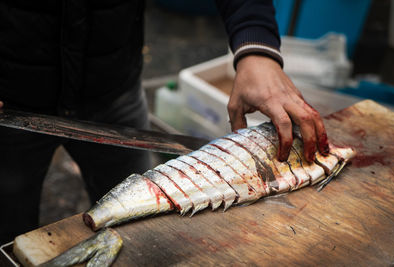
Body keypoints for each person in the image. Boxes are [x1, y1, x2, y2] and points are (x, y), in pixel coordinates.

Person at [0, 0, 329, 244]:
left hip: (114, 92)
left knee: (149, 229)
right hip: (9, 106)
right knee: (8, 230)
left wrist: (257, 49)